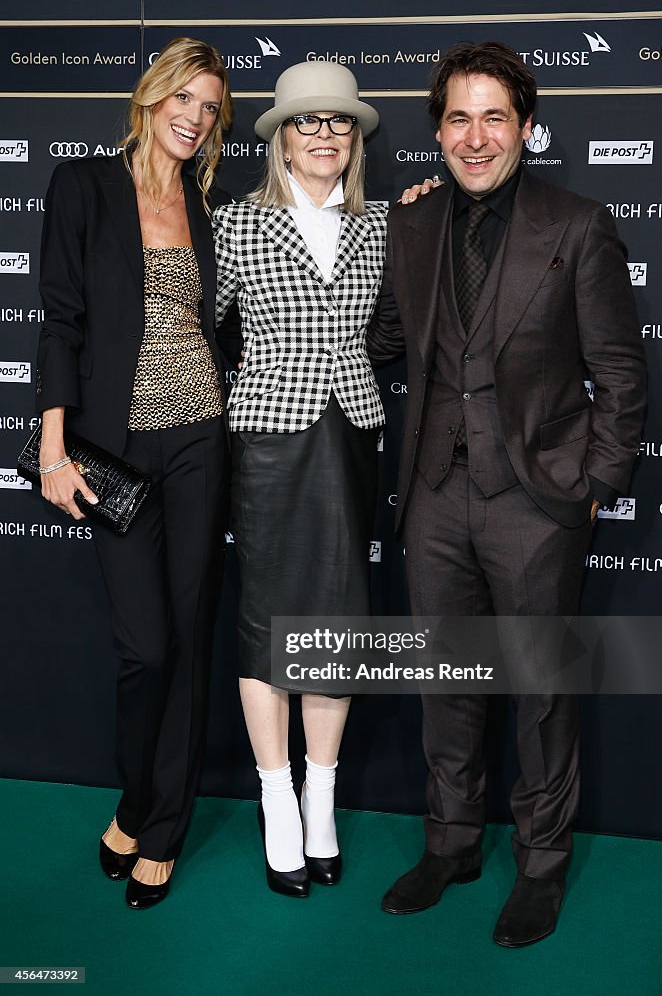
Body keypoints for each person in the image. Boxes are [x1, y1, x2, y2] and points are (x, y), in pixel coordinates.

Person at [367, 41, 646, 946]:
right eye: (457, 117)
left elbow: (618, 371)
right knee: (447, 682)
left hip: (537, 499)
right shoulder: (410, 224)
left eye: (494, 117)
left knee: (539, 690)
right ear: (436, 130)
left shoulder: (578, 224)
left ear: (526, 128)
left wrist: (595, 485)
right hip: (435, 493)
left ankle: (540, 862)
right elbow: (384, 343)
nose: (475, 136)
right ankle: (449, 842)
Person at [36, 37, 232, 910]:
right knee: (143, 647)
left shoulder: (204, 201)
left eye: (210, 108)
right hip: (111, 450)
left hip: (199, 435)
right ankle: (132, 797)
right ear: (150, 98)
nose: (194, 118)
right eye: (183, 99)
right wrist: (52, 447)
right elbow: (59, 325)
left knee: (189, 640)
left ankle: (161, 829)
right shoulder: (82, 185)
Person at [212, 62, 386, 898]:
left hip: (351, 430)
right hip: (267, 438)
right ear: (280, 137)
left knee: (336, 617)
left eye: (338, 124)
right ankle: (274, 797)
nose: (323, 135)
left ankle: (322, 795)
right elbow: (192, 330)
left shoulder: (385, 226)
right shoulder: (236, 224)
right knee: (266, 617)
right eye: (307, 123)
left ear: (354, 140)